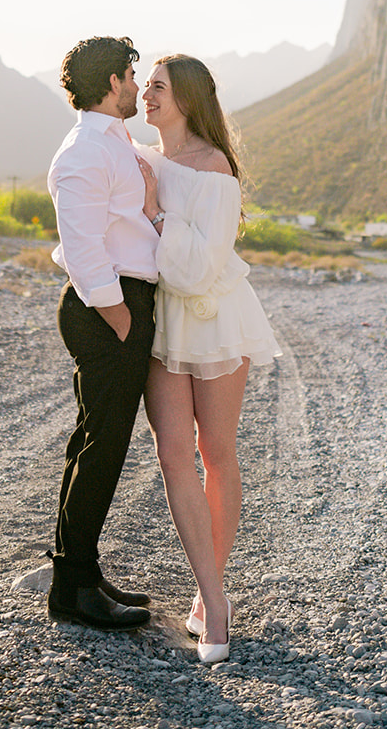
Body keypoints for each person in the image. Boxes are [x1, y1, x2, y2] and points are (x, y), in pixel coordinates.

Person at [138, 54, 281, 664]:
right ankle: (214, 597)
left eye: (159, 87)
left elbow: (199, 269)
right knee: (172, 453)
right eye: (146, 85)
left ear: (188, 99)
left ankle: (209, 597)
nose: (147, 95)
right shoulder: (142, 158)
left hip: (215, 316)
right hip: (162, 321)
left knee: (215, 452)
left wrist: (155, 212)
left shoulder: (215, 167)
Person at [46, 35, 158, 631]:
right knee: (103, 447)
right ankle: (75, 590)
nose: (137, 87)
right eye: (132, 77)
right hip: (106, 307)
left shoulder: (113, 141)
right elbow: (85, 249)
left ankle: (77, 575)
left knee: (95, 442)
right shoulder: (85, 150)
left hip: (119, 303)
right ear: (113, 81)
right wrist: (122, 319)